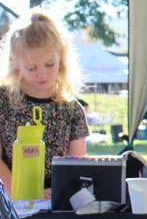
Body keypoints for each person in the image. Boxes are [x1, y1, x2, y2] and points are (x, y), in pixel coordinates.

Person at [0, 11, 88, 197]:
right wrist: (22, 195)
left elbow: (77, 165)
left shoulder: (72, 108)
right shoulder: (3, 101)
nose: (42, 74)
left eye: (49, 65)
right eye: (31, 67)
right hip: (10, 200)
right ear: (15, 63)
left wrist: (58, 193)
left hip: (56, 199)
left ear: (61, 59)